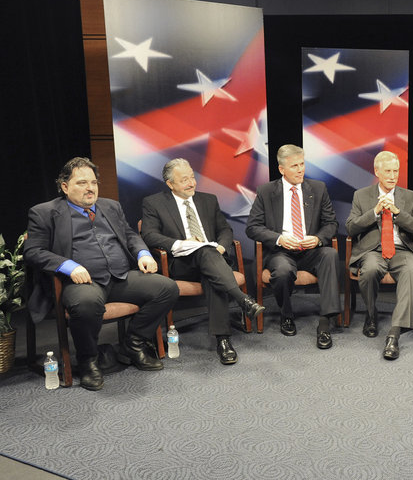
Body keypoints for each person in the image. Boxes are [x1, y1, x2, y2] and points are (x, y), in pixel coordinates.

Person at [24, 157, 180, 391]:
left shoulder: (110, 206)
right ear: (65, 187)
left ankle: (133, 344)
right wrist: (68, 265)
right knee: (87, 303)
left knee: (167, 288)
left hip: (119, 277)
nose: (90, 188)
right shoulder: (44, 212)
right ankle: (88, 360)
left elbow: (129, 235)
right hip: (81, 283)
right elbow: (33, 251)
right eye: (82, 183)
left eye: (94, 183)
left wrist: (143, 254)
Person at [140, 158, 266, 365]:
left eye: (192, 177)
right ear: (170, 184)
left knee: (211, 267)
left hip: (212, 261)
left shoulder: (208, 200)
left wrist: (222, 246)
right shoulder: (154, 203)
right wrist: (182, 243)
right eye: (184, 180)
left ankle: (223, 340)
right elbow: (149, 235)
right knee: (207, 256)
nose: (191, 183)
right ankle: (242, 299)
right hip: (181, 263)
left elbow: (224, 229)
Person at [245, 144, 341, 349]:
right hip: (281, 251)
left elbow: (332, 223)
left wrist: (317, 239)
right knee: (282, 271)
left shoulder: (318, 188)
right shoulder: (266, 191)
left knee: (330, 254)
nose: (300, 170)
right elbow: (252, 228)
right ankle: (286, 314)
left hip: (311, 250)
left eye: (302, 164)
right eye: (295, 166)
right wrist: (278, 238)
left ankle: (325, 322)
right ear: (282, 169)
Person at [346, 151, 413, 360]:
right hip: (373, 250)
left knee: (409, 270)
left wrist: (398, 213)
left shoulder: (411, 197)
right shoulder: (361, 195)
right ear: (377, 172)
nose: (392, 176)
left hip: (402, 251)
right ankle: (371, 315)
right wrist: (374, 212)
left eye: (396, 171)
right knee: (370, 269)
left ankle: (394, 333)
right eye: (388, 171)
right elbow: (351, 228)